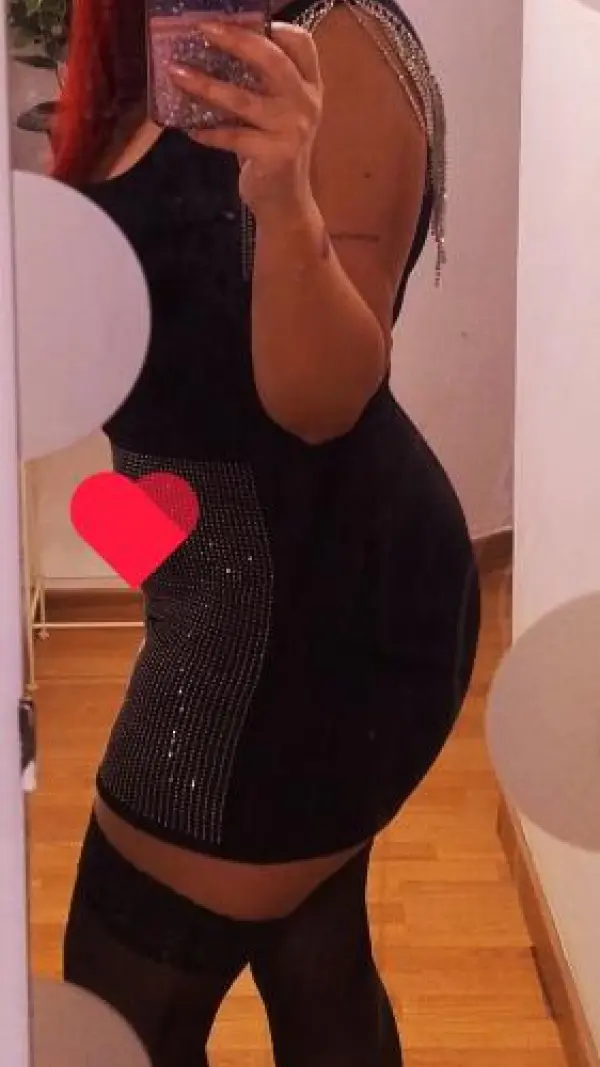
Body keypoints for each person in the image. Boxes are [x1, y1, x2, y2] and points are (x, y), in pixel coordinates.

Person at [52, 0, 481, 1063]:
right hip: (225, 587)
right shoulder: (138, 36)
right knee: (313, 952)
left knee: (117, 1008)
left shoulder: (343, 42)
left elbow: (319, 401)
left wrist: (283, 194)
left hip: (318, 608)